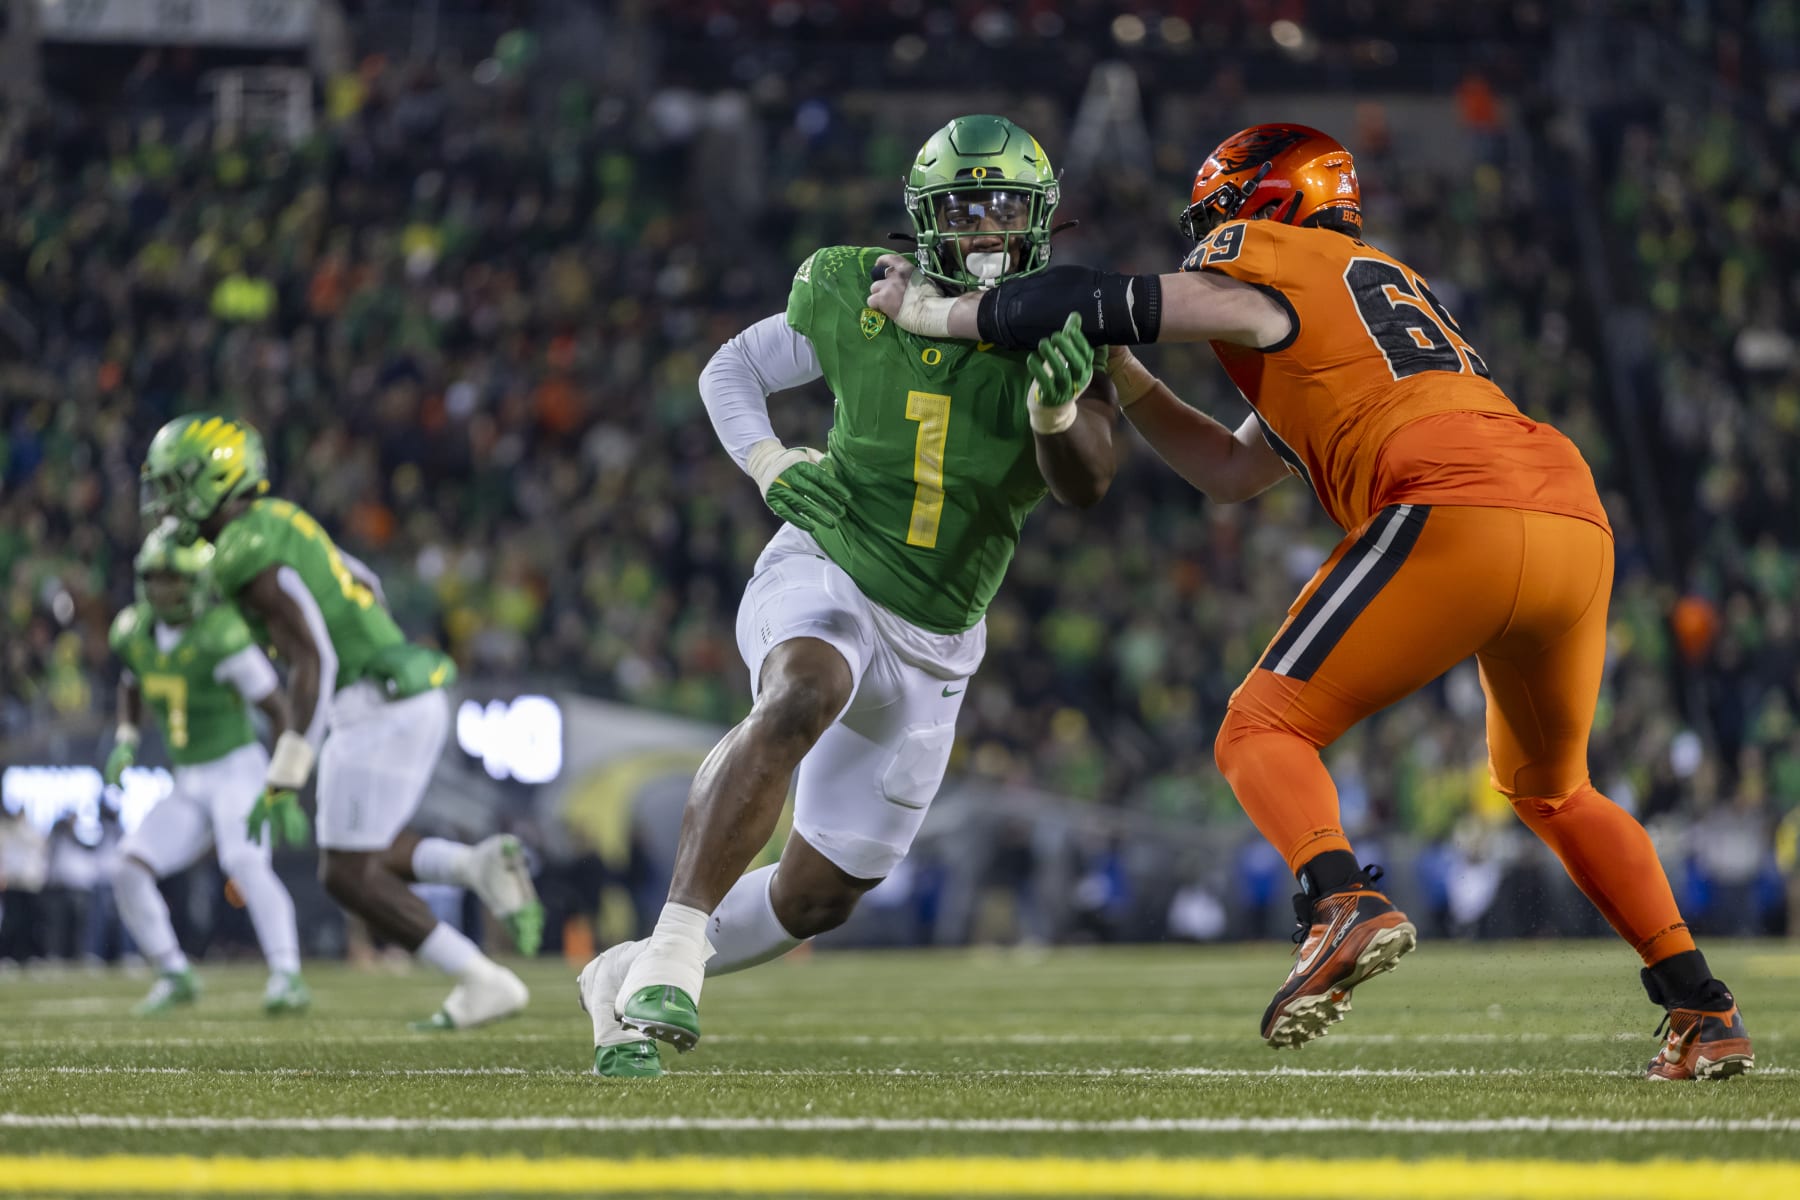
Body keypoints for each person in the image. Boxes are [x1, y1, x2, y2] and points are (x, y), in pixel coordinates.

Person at [869, 124, 1753, 1081]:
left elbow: (1083, 293)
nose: (1206, 235)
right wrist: (1122, 369)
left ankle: (1340, 899)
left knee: (1259, 729)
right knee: (1552, 788)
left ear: (1263, 205)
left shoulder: (1272, 254)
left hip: (1455, 499)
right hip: (1571, 516)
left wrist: (926, 309)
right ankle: (1703, 1009)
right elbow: (1229, 468)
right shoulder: (1367, 297)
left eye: (1217, 215)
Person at [577, 114, 1118, 1077]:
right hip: (828, 560)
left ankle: (618, 970)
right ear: (924, 219)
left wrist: (1056, 410)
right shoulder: (855, 290)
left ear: (1042, 219)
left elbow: (1088, 485)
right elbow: (733, 366)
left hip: (938, 633)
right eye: (965, 207)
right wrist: (768, 460)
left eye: (1007, 207)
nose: (987, 228)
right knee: (802, 688)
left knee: (818, 895)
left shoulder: (1063, 320)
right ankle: (670, 952)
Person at [138, 414, 542, 1030]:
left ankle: (483, 978)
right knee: (360, 854)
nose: (165, 498)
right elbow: (364, 580)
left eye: (176, 481)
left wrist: (287, 768)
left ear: (218, 476)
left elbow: (315, 660)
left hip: (372, 704)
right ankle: (474, 867)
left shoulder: (245, 550)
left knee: (347, 874)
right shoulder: (277, 520)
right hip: (394, 690)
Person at [103, 522, 310, 1015]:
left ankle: (287, 973)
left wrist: (283, 784)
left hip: (237, 768)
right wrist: (126, 739)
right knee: (127, 868)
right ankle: (173, 971)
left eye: (174, 579)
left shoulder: (222, 635)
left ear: (197, 584)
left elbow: (280, 710)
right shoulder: (133, 631)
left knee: (244, 862)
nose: (164, 589)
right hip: (189, 778)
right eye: (156, 578)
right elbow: (131, 683)